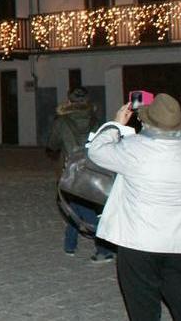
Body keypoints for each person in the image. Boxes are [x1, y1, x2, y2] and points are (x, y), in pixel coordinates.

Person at [88, 94, 181, 319]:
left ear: (147, 121)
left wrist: (116, 125)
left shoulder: (135, 149)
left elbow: (96, 151)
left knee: (143, 308)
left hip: (140, 243)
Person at [46, 87, 112, 261]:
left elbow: (52, 144)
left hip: (70, 170)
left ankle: (103, 247)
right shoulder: (96, 121)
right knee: (78, 204)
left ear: (69, 101)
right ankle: (70, 243)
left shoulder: (62, 122)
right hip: (92, 171)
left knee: (80, 208)